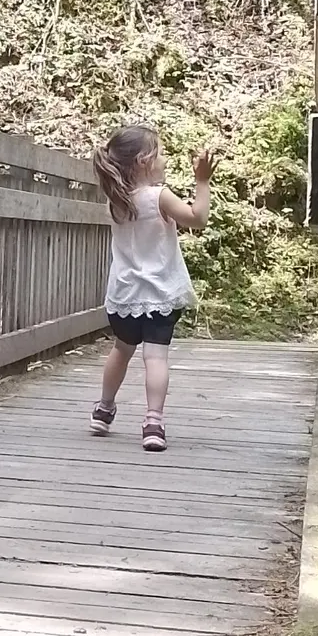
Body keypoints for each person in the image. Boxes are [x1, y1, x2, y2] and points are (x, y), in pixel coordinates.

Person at [88, 125, 214, 452]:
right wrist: (202, 180)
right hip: (159, 295)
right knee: (155, 356)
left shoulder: (116, 200)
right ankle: (153, 421)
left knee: (121, 349)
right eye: (160, 154)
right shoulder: (159, 196)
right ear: (145, 161)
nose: (165, 160)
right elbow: (197, 218)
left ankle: (104, 409)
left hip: (124, 296)